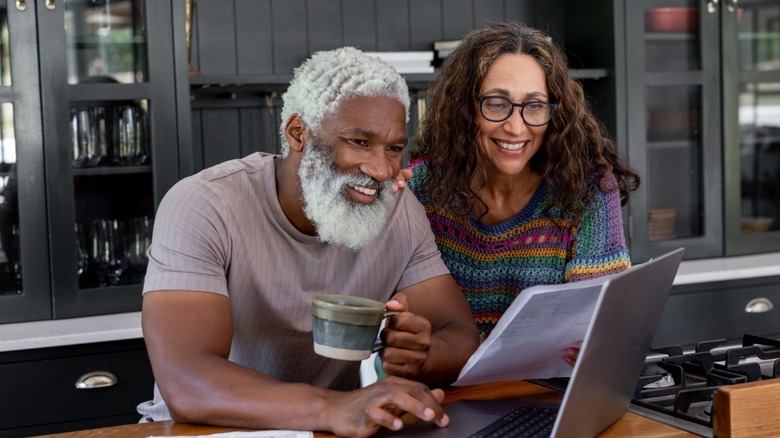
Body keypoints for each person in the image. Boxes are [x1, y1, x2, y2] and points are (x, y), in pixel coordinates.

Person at [137, 47, 480, 437]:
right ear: (298, 133)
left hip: (326, 430)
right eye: (359, 142)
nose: (382, 170)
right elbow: (187, 382)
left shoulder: (398, 211)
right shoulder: (204, 204)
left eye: (395, 148)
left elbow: (461, 336)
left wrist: (422, 355)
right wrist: (337, 406)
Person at [405, 22, 640, 364]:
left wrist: (602, 343)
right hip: (445, 392)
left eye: (534, 106)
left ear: (554, 111)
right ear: (465, 107)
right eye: (497, 104)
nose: (516, 128)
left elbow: (607, 320)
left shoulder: (586, 189)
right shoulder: (421, 189)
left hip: (550, 395)